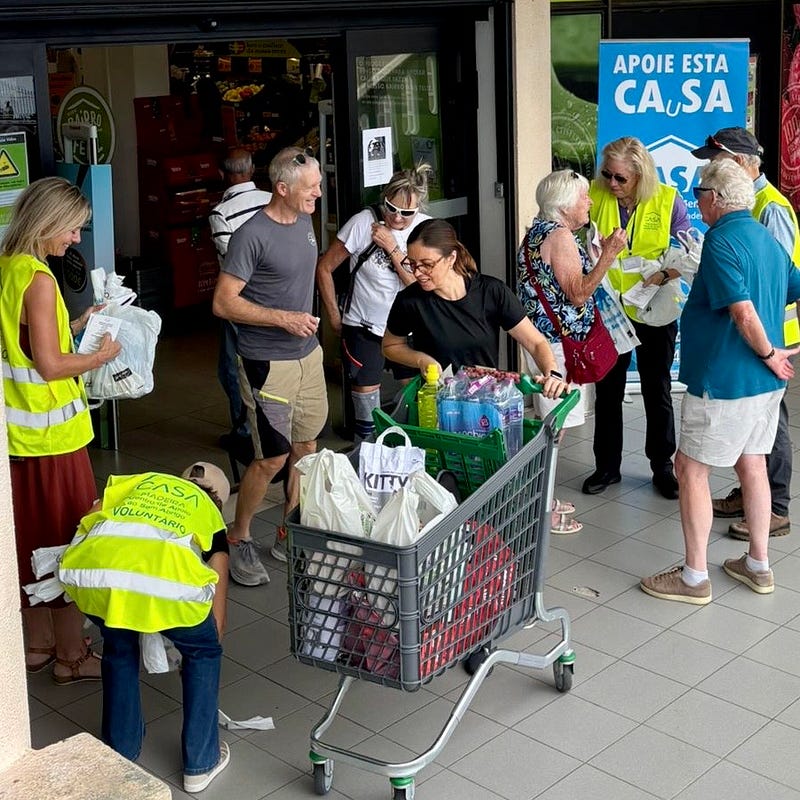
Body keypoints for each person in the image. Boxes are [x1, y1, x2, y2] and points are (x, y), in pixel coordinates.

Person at [640, 159, 800, 605]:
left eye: (698, 194)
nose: (696, 202)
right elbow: (792, 286)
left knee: (690, 469)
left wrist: (769, 352)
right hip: (766, 384)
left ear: (715, 198)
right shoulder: (767, 239)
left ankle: (694, 577)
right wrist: (776, 357)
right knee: (752, 465)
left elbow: (742, 311)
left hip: (726, 378)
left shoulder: (721, 240)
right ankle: (758, 565)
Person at [0, 176, 121, 683]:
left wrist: (75, 324)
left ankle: (39, 645)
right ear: (47, 222)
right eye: (71, 230)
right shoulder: (42, 280)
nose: (74, 240)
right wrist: (100, 355)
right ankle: (73, 655)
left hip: (18, 434)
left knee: (29, 537)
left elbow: (25, 344)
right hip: (55, 439)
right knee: (68, 540)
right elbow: (49, 366)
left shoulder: (10, 268)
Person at [58, 462, 231, 794]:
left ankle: (119, 751)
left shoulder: (137, 483)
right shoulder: (210, 518)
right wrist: (196, 649)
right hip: (163, 592)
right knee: (205, 652)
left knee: (119, 646)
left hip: (98, 580)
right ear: (219, 501)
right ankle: (201, 764)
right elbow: (216, 620)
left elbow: (89, 518)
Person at [212, 146, 328, 584]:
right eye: (310, 187)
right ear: (281, 189)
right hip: (267, 362)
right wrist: (283, 318)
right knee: (271, 458)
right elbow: (223, 303)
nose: (318, 193)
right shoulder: (251, 235)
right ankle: (238, 537)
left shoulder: (304, 220)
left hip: (309, 356)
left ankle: (288, 532)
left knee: (306, 448)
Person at [692, 127, 800, 541]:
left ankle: (776, 509)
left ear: (735, 164)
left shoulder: (767, 210)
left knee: (701, 464)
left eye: (714, 162)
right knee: (753, 454)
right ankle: (757, 546)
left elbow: (750, 297)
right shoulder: (749, 218)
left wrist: (769, 350)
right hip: (758, 349)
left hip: (760, 348)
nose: (706, 174)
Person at [517, 169, 628, 532]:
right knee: (555, 427)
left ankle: (538, 499)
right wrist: (608, 254)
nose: (590, 202)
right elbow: (578, 292)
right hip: (559, 348)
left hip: (545, 341)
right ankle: (541, 508)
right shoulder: (560, 236)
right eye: (584, 197)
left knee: (553, 425)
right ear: (565, 205)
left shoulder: (537, 231)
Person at [582, 136, 692, 499]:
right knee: (608, 391)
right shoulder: (594, 196)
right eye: (607, 174)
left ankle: (662, 466)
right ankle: (607, 467)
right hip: (609, 308)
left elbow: (687, 254)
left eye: (620, 178)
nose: (611, 184)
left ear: (640, 176)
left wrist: (660, 276)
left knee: (656, 387)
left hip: (654, 306)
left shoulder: (668, 200)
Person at [382, 218, 569, 401]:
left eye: (427, 265)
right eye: (412, 264)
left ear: (451, 258)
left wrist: (552, 374)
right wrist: (421, 359)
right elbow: (391, 346)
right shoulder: (410, 301)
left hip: (487, 401)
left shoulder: (491, 292)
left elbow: (536, 343)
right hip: (438, 404)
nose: (417, 272)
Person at [316, 164, 431, 441]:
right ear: (384, 199)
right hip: (364, 325)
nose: (397, 218)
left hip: (408, 328)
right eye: (391, 208)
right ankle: (366, 460)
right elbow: (324, 268)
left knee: (413, 400)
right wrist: (334, 317)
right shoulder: (362, 223)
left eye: (407, 213)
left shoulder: (425, 228)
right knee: (366, 408)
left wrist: (391, 247)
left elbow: (418, 286)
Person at [209, 148, 272, 466]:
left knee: (233, 367)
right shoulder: (272, 199)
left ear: (224, 174)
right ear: (251, 170)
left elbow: (234, 259)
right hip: (274, 294)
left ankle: (245, 430)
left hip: (241, 299)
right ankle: (273, 422)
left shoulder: (221, 212)